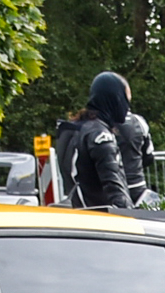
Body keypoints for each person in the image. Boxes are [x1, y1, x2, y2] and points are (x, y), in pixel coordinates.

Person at [54, 71, 134, 212]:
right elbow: (114, 187)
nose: (127, 108)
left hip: (78, 216)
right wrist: (130, 216)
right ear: (115, 99)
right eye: (126, 100)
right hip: (101, 221)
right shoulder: (100, 135)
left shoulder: (72, 130)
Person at [120, 109, 159, 206]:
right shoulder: (138, 120)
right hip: (137, 185)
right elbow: (149, 156)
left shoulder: (100, 123)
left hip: (110, 187)